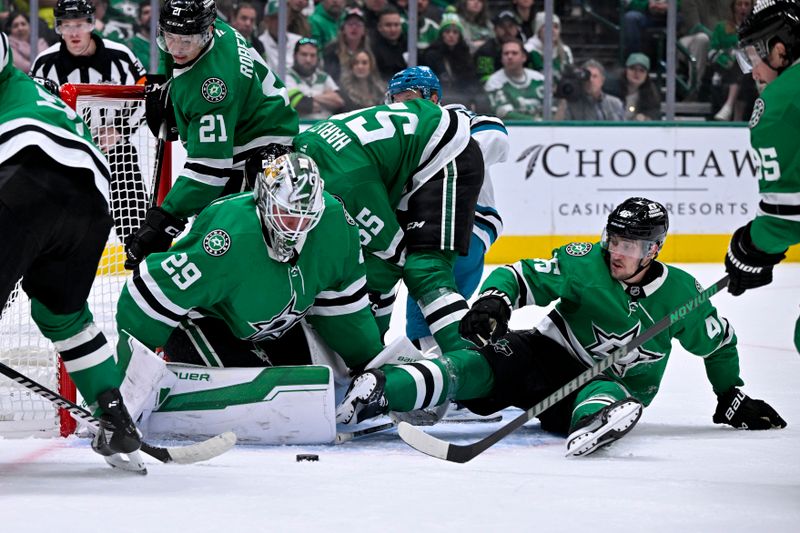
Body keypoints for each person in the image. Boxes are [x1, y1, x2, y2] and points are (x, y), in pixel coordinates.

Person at [338, 197, 787, 457]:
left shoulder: (681, 295)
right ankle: (381, 388)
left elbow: (720, 342)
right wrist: (495, 301)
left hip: (601, 385)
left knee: (608, 393)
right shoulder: (582, 261)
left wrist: (730, 394)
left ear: (653, 249)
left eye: (630, 245)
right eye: (614, 239)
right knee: (481, 362)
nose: (616, 251)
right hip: (545, 353)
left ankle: (595, 420)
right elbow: (519, 274)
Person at [115, 152, 384, 382]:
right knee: (265, 390)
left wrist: (368, 363)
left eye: (306, 220)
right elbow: (148, 293)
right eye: (287, 215)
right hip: (205, 322)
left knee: (319, 383)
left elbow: (344, 306)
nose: (296, 229)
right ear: (265, 199)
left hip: (277, 328)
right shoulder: (229, 235)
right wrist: (127, 376)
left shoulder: (335, 224)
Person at [0, 32, 142, 464]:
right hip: (94, 201)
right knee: (62, 314)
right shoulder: (29, 89)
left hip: (25, 178)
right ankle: (114, 416)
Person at [294, 98, 484, 353]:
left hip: (445, 151)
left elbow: (392, 253)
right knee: (368, 261)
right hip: (402, 161)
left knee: (423, 268)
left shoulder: (341, 185)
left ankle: (473, 360)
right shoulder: (302, 155)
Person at [124, 0, 299, 268]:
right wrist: (164, 83)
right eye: (169, 38)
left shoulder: (212, 87)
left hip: (257, 144)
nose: (176, 49)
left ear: (207, 31)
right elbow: (174, 47)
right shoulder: (211, 30)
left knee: (226, 237)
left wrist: (165, 220)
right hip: (252, 121)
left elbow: (209, 173)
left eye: (186, 41)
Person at [385, 66, 508, 353]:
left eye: (408, 98)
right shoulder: (399, 133)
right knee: (437, 321)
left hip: (461, 226)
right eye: (395, 99)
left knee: (428, 320)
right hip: (424, 232)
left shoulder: (452, 118)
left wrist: (440, 158)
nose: (400, 107)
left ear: (434, 97)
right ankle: (448, 375)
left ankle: (444, 381)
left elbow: (497, 136)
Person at [30, 0, 148, 242]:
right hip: (66, 155)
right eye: (66, 25)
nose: (74, 32)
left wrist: (120, 129)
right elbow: (36, 110)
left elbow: (146, 98)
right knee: (65, 223)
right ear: (58, 28)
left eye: (80, 24)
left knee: (135, 220)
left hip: (117, 152)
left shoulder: (121, 56)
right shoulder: (44, 63)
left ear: (92, 24)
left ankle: (138, 263)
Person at [725, 0, 800, 355]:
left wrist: (751, 248)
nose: (751, 71)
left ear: (780, 51)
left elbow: (786, 216)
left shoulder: (781, 103)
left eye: (753, 56)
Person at [421, 10, 489, 112]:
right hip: (439, 103)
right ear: (441, 34)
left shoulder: (466, 56)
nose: (451, 35)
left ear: (460, 35)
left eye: (455, 32)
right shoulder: (431, 55)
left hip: (463, 103)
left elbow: (472, 83)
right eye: (447, 31)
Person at [484, 39, 545, 120]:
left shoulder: (539, 79)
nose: (510, 56)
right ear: (501, 58)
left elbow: (552, 109)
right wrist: (535, 121)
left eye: (514, 53)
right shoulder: (494, 82)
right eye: (506, 53)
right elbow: (503, 113)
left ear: (524, 57)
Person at [285, 37, 345, 119]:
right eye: (304, 54)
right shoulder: (286, 76)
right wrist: (325, 98)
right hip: (299, 127)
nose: (308, 60)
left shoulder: (323, 77)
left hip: (324, 127)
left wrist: (308, 97)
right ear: (295, 56)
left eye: (312, 55)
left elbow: (339, 102)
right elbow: (300, 104)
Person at [555, 59, 624, 121]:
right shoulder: (571, 105)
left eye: (595, 76)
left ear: (602, 80)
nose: (590, 80)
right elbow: (558, 128)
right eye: (587, 77)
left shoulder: (615, 104)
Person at [606, 52, 663, 121]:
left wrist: (645, 117)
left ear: (646, 75)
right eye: (633, 69)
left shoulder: (651, 94)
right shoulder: (610, 88)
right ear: (626, 70)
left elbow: (655, 114)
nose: (637, 73)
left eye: (641, 70)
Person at [322, 6, 370, 82]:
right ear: (343, 29)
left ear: (364, 31)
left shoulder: (370, 50)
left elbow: (375, 78)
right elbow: (331, 78)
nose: (354, 27)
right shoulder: (332, 50)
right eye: (350, 24)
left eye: (358, 24)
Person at [474, 10, 523, 82]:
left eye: (510, 26)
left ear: (517, 29)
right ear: (495, 30)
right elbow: (484, 79)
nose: (507, 30)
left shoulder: (522, 47)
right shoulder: (485, 52)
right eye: (502, 27)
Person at [525, 12, 574, 81]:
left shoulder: (565, 51)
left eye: (556, 27)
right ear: (538, 30)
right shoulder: (528, 50)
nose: (552, 30)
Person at [259, 0, 302, 71]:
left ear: (289, 20)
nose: (279, 22)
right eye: (275, 18)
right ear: (266, 20)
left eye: (283, 17)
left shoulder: (298, 41)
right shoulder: (260, 44)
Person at [371, 6, 407, 82]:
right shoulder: (373, 49)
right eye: (388, 25)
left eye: (396, 25)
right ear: (379, 27)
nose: (393, 29)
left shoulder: (408, 45)